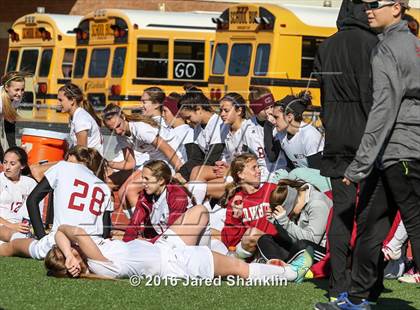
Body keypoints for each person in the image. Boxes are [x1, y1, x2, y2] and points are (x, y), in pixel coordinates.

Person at [317, 0, 420, 308]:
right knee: (371, 220)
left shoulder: (386, 48)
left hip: (393, 148)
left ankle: (352, 293)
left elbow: (382, 109)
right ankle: (359, 297)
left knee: (411, 223)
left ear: (397, 7)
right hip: (392, 148)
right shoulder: (411, 44)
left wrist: (360, 164)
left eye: (376, 4)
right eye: (366, 5)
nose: (369, 10)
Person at [312, 0, 379, 303]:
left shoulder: (327, 47)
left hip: (337, 139)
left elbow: (324, 94)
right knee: (370, 215)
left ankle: (339, 282)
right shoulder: (374, 44)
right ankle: (366, 284)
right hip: (368, 139)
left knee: (341, 215)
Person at [44, 223, 313, 284]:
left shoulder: (93, 258)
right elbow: (71, 229)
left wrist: (66, 252)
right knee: (239, 270)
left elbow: (60, 233)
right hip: (177, 263)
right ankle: (291, 273)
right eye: (70, 263)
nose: (74, 254)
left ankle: (281, 270)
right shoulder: (97, 262)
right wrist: (70, 253)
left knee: (231, 261)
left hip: (171, 255)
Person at [0, 146, 113, 259]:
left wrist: (41, 237)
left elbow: (32, 200)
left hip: (57, 243)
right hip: (91, 249)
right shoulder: (104, 188)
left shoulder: (62, 167)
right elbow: (105, 232)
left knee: (14, 246)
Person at [188, 93, 268, 203]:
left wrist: (258, 185)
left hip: (248, 176)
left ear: (239, 111)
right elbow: (227, 155)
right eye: (220, 111)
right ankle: (199, 208)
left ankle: (198, 210)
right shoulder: (225, 129)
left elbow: (263, 163)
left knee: (199, 188)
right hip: (234, 171)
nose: (222, 114)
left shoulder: (250, 131)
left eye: (226, 110)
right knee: (197, 171)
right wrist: (224, 164)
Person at [102, 103, 183, 212]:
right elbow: (130, 163)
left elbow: (166, 148)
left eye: (118, 126)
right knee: (121, 192)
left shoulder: (140, 128)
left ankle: (142, 226)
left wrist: (182, 170)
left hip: (172, 157)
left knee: (130, 190)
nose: (117, 131)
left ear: (123, 117)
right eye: (112, 130)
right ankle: (135, 224)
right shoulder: (121, 136)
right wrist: (110, 163)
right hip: (155, 160)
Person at [122, 160, 210, 247]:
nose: (143, 182)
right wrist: (125, 245)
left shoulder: (176, 196)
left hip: (191, 243)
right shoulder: (145, 195)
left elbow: (172, 233)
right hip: (165, 240)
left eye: (147, 179)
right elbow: (134, 223)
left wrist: (147, 244)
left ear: (161, 181)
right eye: (142, 177)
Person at [258, 179, 332, 265]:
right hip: (300, 250)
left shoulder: (317, 204)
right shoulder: (299, 203)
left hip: (322, 252)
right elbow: (293, 239)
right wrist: (277, 224)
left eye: (290, 213)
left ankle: (283, 268)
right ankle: (280, 266)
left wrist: (286, 223)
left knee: (303, 246)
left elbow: (313, 241)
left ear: (295, 201)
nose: (290, 215)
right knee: (265, 239)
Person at [220, 153, 278, 259]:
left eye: (258, 167)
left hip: (276, 244)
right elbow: (230, 243)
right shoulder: (236, 202)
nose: (259, 171)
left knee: (253, 233)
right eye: (254, 168)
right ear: (241, 175)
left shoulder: (271, 189)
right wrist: (235, 218)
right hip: (252, 252)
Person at [0, 147, 40, 243]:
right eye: (5, 162)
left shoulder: (30, 183)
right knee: (15, 238)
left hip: (21, 227)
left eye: (12, 164)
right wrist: (11, 225)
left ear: (22, 166)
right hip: (4, 225)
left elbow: (35, 210)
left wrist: (28, 226)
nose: (7, 167)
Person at [58, 83, 103, 154]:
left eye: (61, 100)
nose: (58, 104)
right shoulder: (76, 116)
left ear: (72, 100)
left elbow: (81, 153)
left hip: (90, 162)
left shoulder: (81, 118)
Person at [0, 72, 25, 161]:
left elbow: (9, 124)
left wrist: (14, 149)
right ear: (7, 87)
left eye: (22, 90)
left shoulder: (16, 98)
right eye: (17, 90)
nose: (20, 93)